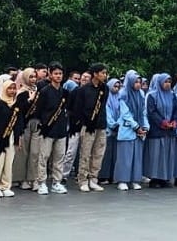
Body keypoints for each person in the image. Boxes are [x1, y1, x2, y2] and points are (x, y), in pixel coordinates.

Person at [70, 63, 109, 193]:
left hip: (101, 125)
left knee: (98, 153)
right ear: (95, 74)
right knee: (86, 153)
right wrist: (85, 122)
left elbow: (103, 105)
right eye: (102, 73)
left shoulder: (105, 88)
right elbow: (78, 109)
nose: (105, 75)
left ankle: (93, 179)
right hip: (88, 125)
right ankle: (83, 179)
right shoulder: (83, 90)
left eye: (105, 73)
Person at [33, 63, 70, 196]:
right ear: (50, 74)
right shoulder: (44, 91)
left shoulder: (65, 92)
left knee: (59, 157)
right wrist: (43, 124)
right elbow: (38, 111)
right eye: (55, 73)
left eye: (60, 74)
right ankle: (41, 182)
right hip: (47, 129)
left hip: (61, 129)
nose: (58, 76)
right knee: (44, 157)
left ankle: (56, 182)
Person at [0, 78, 24, 197]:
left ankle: (6, 185)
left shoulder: (17, 104)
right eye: (9, 88)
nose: (12, 91)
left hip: (11, 137)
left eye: (14, 88)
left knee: (8, 162)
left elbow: (20, 122)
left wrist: (19, 137)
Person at [114, 70, 148, 191]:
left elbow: (144, 112)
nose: (138, 84)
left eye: (140, 82)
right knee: (125, 157)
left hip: (139, 131)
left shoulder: (141, 94)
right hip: (127, 129)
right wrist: (136, 127)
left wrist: (145, 126)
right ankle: (122, 180)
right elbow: (125, 114)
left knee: (137, 157)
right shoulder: (123, 94)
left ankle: (135, 179)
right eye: (136, 82)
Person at [145, 73, 177, 188]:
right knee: (156, 155)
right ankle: (155, 179)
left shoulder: (172, 95)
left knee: (168, 154)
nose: (168, 84)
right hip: (157, 130)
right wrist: (162, 122)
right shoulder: (152, 95)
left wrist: (174, 121)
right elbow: (151, 112)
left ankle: (165, 178)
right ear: (160, 82)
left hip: (169, 131)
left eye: (169, 82)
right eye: (165, 82)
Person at [100, 78, 122, 183]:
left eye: (118, 87)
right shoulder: (106, 98)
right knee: (106, 154)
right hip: (108, 129)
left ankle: (113, 176)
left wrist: (119, 124)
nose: (116, 88)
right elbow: (106, 112)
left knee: (115, 155)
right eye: (115, 86)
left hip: (118, 130)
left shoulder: (120, 98)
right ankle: (103, 176)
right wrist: (113, 124)